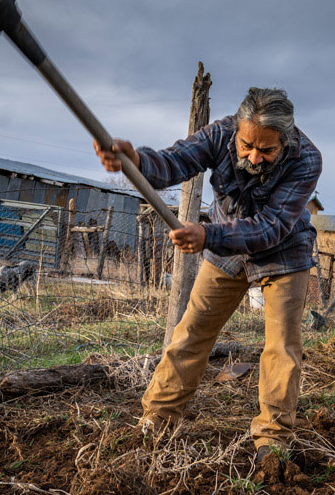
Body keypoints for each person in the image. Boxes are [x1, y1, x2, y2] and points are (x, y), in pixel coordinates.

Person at [94, 87, 322, 461]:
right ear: (238, 131)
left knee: (281, 346)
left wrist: (206, 234)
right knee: (192, 331)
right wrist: (138, 161)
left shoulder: (307, 160)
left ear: (287, 139)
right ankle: (158, 419)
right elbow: (176, 161)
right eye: (247, 145)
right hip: (224, 249)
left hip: (282, 252)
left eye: (267, 151)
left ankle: (272, 439)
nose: (254, 156)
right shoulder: (219, 134)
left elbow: (271, 227)